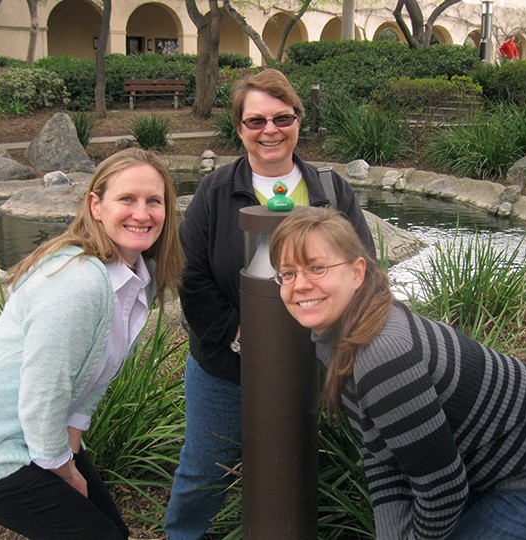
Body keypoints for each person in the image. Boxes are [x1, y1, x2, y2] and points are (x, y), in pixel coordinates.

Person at [268, 206, 526, 540]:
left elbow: (442, 490)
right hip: (489, 465)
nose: (300, 285)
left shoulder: (384, 356)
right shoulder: (335, 337)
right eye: (288, 273)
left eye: (317, 268)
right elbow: (381, 455)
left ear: (357, 272)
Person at [0, 148, 184, 539]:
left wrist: (72, 444)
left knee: (111, 531)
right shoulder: (77, 282)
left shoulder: (133, 278)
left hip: (25, 429)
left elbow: (94, 377)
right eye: (126, 198)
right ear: (96, 205)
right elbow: (44, 391)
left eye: (153, 201)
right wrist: (62, 468)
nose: (141, 214)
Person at [165, 68, 375, 539]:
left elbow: (363, 264)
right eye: (256, 121)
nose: (270, 131)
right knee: (204, 470)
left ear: (299, 121)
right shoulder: (216, 192)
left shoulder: (329, 190)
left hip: (312, 363)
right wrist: (240, 334)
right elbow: (190, 274)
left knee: (293, 461)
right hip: (226, 368)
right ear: (239, 129)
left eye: (283, 117)